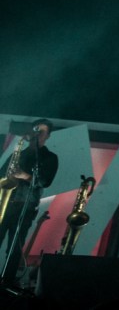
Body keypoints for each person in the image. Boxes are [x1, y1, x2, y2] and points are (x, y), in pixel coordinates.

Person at [0, 119, 59, 288]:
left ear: (47, 136)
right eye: (36, 130)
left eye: (42, 131)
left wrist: (24, 175)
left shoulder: (50, 158)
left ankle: (6, 284)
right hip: (5, 205)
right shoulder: (18, 154)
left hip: (24, 209)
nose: (37, 134)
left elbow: (45, 181)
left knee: (14, 249)